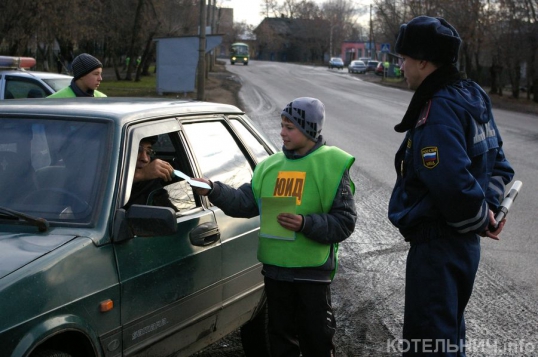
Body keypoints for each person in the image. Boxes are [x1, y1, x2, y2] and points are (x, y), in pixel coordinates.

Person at [388, 16, 515, 356]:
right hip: (461, 247)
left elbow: (451, 180)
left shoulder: (439, 107)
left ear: (424, 61)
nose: (401, 66)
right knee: (447, 340)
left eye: (404, 58)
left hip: (436, 250)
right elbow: (498, 164)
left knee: (429, 344)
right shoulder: (471, 95)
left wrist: (478, 215)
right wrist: (486, 211)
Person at [191, 97, 357, 357]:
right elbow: (244, 203)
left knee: (317, 341)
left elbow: (345, 222)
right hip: (276, 274)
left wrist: (305, 223)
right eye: (282, 125)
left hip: (311, 275)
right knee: (280, 341)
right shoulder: (269, 166)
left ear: (310, 129)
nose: (282, 132)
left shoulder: (332, 164)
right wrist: (213, 190)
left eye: (290, 127)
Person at [125, 136, 176, 210]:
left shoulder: (152, 182)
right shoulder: (104, 176)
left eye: (148, 152)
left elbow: (170, 212)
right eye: (137, 150)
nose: (145, 159)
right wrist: (141, 174)